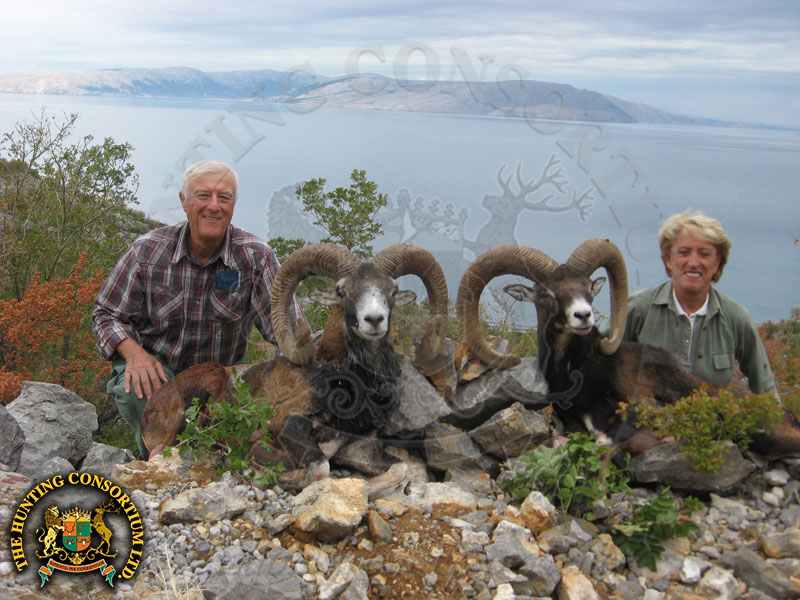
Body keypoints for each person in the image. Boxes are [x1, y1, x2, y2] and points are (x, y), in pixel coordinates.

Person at [93, 159, 304, 457]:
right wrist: (134, 354)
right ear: (184, 201)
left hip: (222, 377)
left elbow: (289, 331)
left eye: (224, 197)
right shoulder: (148, 251)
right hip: (158, 368)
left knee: (254, 413)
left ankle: (209, 463)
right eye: (203, 196)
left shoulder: (256, 258)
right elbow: (106, 313)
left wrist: (281, 387)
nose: (214, 206)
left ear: (234, 204)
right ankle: (159, 464)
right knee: (140, 391)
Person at [624, 210, 777, 395]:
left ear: (717, 263)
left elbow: (765, 387)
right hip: (643, 422)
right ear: (668, 259)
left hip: (713, 422)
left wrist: (775, 423)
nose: (693, 262)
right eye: (684, 252)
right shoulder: (639, 309)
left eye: (704, 254)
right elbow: (599, 363)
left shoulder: (734, 317)